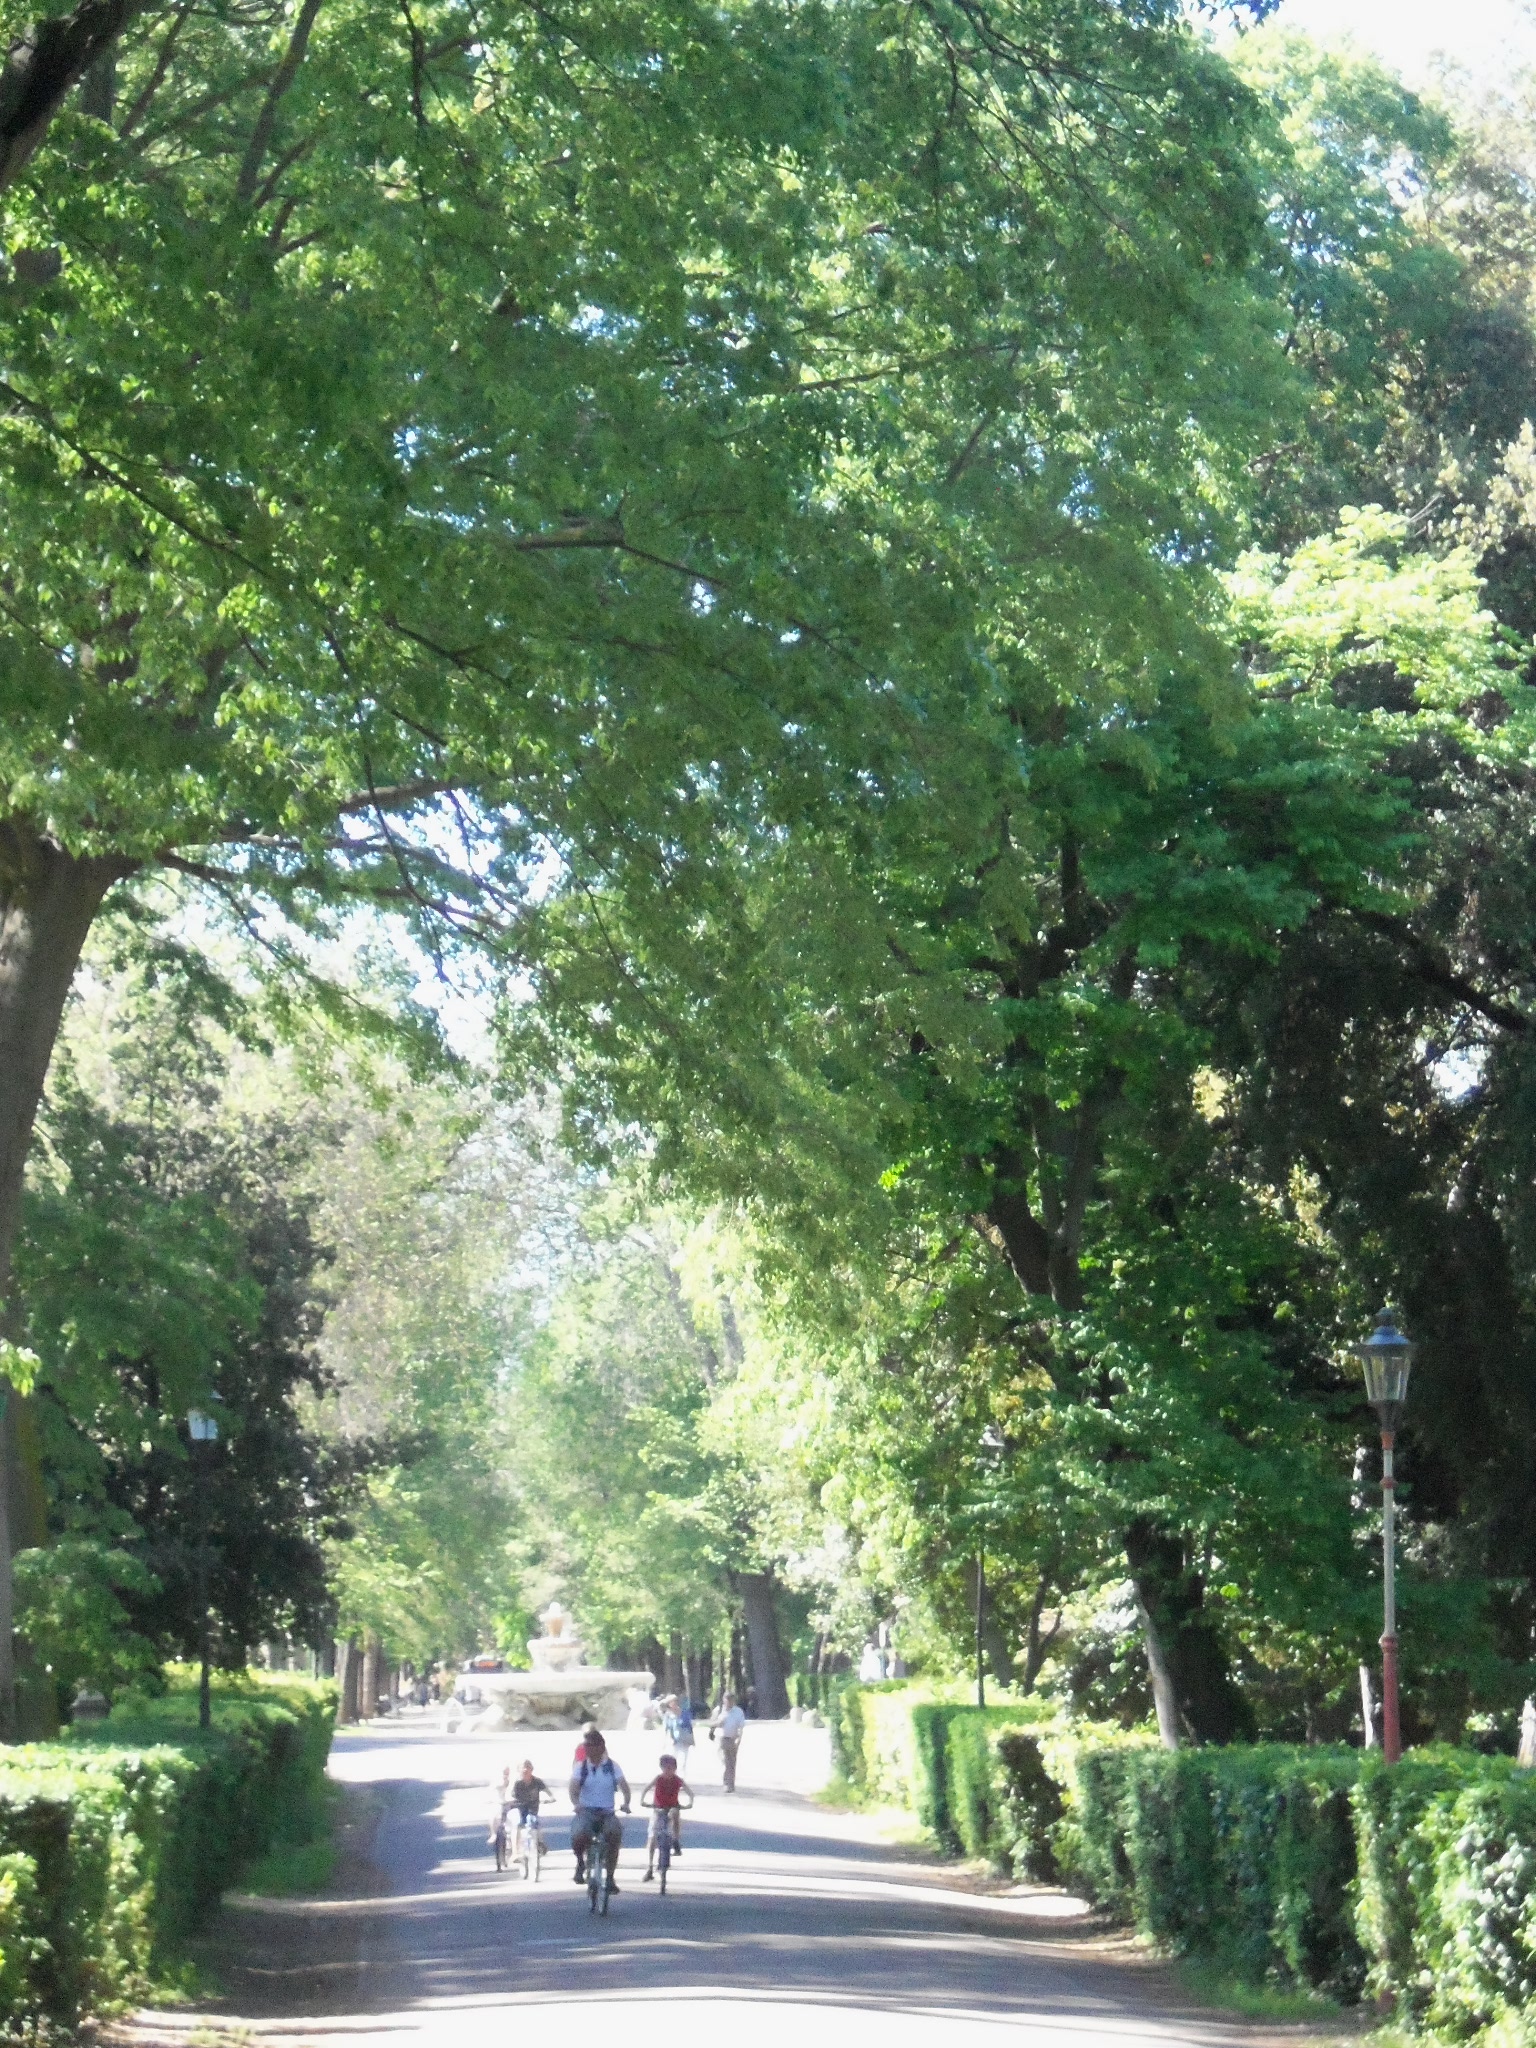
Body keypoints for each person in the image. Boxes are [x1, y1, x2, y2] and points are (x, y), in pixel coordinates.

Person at [569, 1730, 630, 1892]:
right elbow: (573, 1789)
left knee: (614, 1834)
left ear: (601, 1746)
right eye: (586, 1745)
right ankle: (580, 1863)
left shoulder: (612, 1767)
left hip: (607, 1812)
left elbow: (624, 1787)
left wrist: (626, 1803)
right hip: (586, 1811)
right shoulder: (581, 1767)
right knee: (578, 1834)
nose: (588, 1749)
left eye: (591, 1745)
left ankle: (610, 1878)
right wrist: (576, 1803)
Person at [641, 1752, 692, 1881]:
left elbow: (689, 1791)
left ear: (675, 1769)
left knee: (675, 1813)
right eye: (666, 1768)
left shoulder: (677, 1780)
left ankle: (675, 1840)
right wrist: (643, 1800)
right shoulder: (658, 1779)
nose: (669, 1771)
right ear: (662, 1768)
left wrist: (690, 1802)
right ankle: (650, 1867)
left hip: (672, 1807)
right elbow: (646, 1788)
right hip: (658, 1808)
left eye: (672, 1768)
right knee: (652, 1836)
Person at [710, 1692, 747, 1793]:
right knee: (725, 1761)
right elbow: (711, 1723)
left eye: (731, 1700)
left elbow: (740, 1726)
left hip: (733, 1738)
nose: (729, 1702)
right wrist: (718, 1722)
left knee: (732, 1762)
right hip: (721, 1738)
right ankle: (726, 1783)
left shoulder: (738, 1711)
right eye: (727, 1700)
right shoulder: (718, 1710)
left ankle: (731, 1783)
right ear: (723, 1700)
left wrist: (739, 1739)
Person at [663, 1693, 695, 1777]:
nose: (674, 1703)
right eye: (671, 1702)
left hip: (684, 1740)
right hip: (673, 1741)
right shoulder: (668, 1715)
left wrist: (692, 1740)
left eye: (675, 1701)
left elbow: (689, 1727)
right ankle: (673, 1778)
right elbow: (666, 1729)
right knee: (672, 1762)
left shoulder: (684, 1713)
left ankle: (681, 1779)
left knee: (682, 1761)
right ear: (669, 1704)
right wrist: (664, 1742)